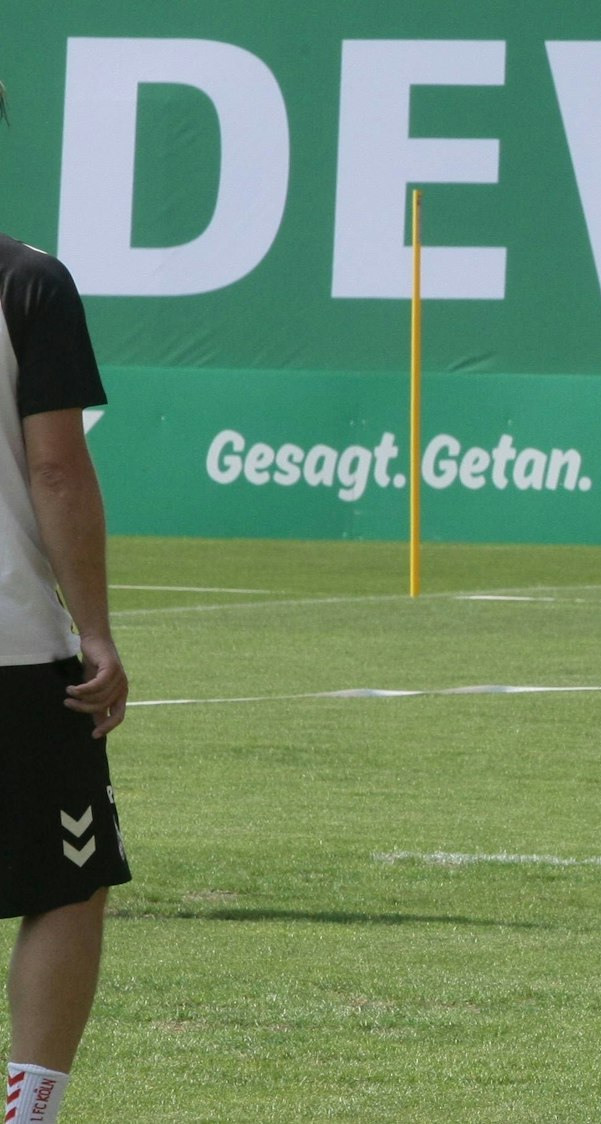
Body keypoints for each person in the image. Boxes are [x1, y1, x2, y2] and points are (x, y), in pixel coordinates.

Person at [0, 80, 135, 1124]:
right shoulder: (29, 285)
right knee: (66, 880)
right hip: (13, 647)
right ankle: (28, 1112)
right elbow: (56, 471)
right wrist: (96, 631)